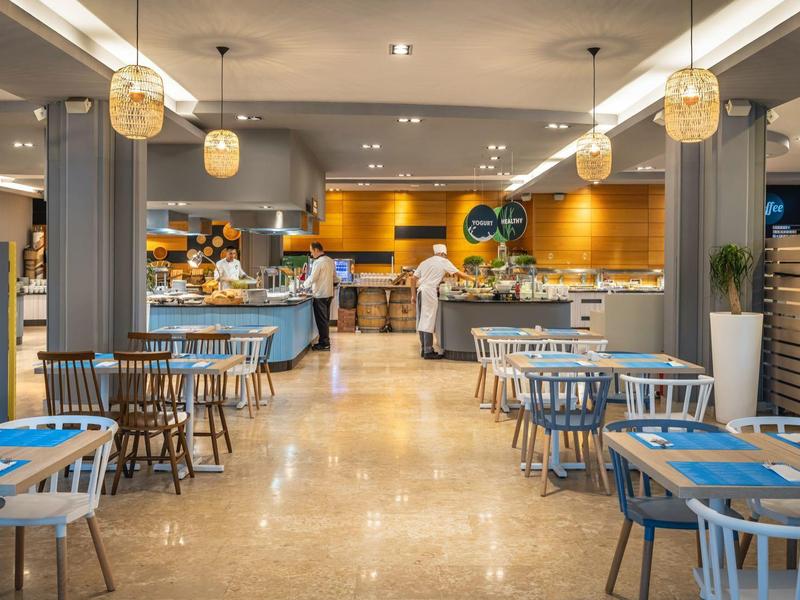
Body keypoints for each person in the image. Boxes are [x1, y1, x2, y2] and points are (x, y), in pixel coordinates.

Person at [410, 244, 475, 359]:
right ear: (442, 253)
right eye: (445, 255)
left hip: (421, 292)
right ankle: (428, 352)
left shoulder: (425, 262)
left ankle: (424, 349)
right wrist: (473, 278)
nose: (446, 257)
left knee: (422, 321)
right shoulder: (443, 261)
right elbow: (458, 273)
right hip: (429, 293)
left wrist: (413, 296)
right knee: (428, 321)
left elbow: (413, 278)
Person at [304, 241, 338, 351]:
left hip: (319, 295)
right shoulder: (330, 260)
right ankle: (324, 341)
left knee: (321, 321)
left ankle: (324, 343)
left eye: (311, 251)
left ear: (317, 250)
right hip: (328, 294)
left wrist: (303, 285)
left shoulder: (318, 262)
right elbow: (335, 277)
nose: (311, 254)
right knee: (325, 320)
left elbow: (313, 277)